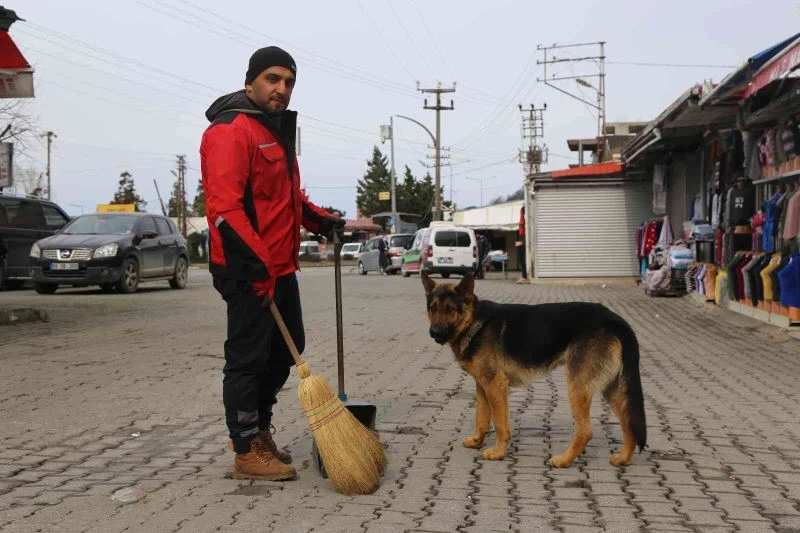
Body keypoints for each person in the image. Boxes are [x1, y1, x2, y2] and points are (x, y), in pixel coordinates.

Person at [201, 46, 345, 481]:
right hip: (246, 269)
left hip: (280, 266)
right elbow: (224, 209)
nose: (281, 88)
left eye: (289, 81)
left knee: (285, 350)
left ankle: (259, 431)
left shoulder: (273, 130)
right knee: (248, 357)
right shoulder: (230, 131)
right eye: (272, 79)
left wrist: (322, 221)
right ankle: (245, 449)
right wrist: (255, 267)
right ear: (250, 83)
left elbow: (284, 198)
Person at [516, 206, 530, 284]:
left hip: (523, 239)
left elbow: (522, 223)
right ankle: (524, 275)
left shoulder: (523, 212)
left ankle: (524, 275)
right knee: (522, 259)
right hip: (523, 239)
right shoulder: (523, 212)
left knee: (522, 258)